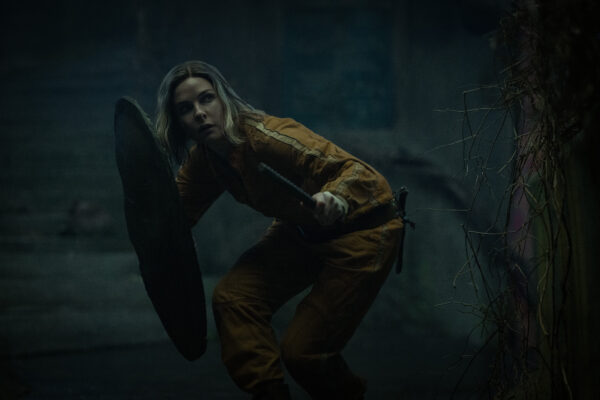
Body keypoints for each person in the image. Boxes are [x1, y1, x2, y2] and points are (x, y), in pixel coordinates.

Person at [155, 60, 403, 400]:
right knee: (235, 299)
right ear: (179, 123)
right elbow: (171, 217)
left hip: (362, 232)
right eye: (186, 108)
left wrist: (336, 198)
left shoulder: (266, 136)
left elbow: (358, 173)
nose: (199, 113)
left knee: (303, 353)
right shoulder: (205, 160)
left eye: (206, 99)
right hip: (301, 233)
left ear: (224, 100)